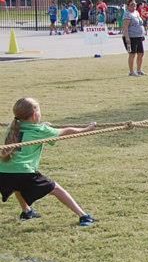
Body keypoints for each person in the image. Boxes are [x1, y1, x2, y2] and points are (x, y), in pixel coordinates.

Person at [1, 97, 97, 226]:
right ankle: (84, 216)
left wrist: (44, 126)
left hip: (3, 171)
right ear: (35, 114)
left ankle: (27, 212)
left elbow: (31, 132)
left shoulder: (12, 127)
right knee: (57, 189)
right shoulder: (40, 131)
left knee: (17, 186)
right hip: (24, 171)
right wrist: (87, 129)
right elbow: (67, 131)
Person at [121, 0, 146, 76]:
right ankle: (131, 72)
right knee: (132, 54)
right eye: (132, 4)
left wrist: (142, 34)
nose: (134, 6)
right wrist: (127, 38)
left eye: (134, 4)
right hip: (131, 37)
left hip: (139, 36)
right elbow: (125, 27)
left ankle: (139, 70)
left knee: (141, 53)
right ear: (128, 6)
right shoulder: (127, 14)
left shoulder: (136, 12)